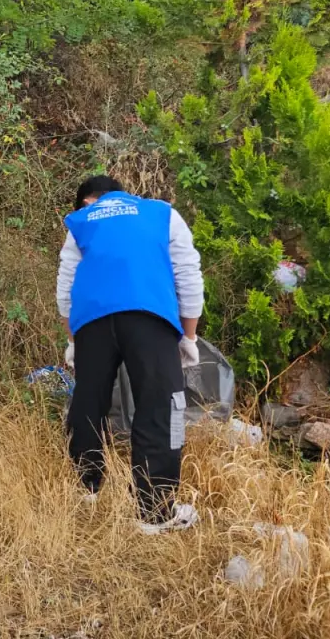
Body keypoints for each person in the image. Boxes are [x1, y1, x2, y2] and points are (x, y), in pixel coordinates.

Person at [57, 175, 205, 534]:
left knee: (89, 398)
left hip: (92, 319)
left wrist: (74, 339)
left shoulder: (81, 220)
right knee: (162, 406)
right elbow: (188, 274)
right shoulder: (161, 214)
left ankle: (86, 489)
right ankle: (154, 510)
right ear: (126, 194)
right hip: (149, 315)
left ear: (94, 200)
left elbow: (66, 286)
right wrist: (188, 335)